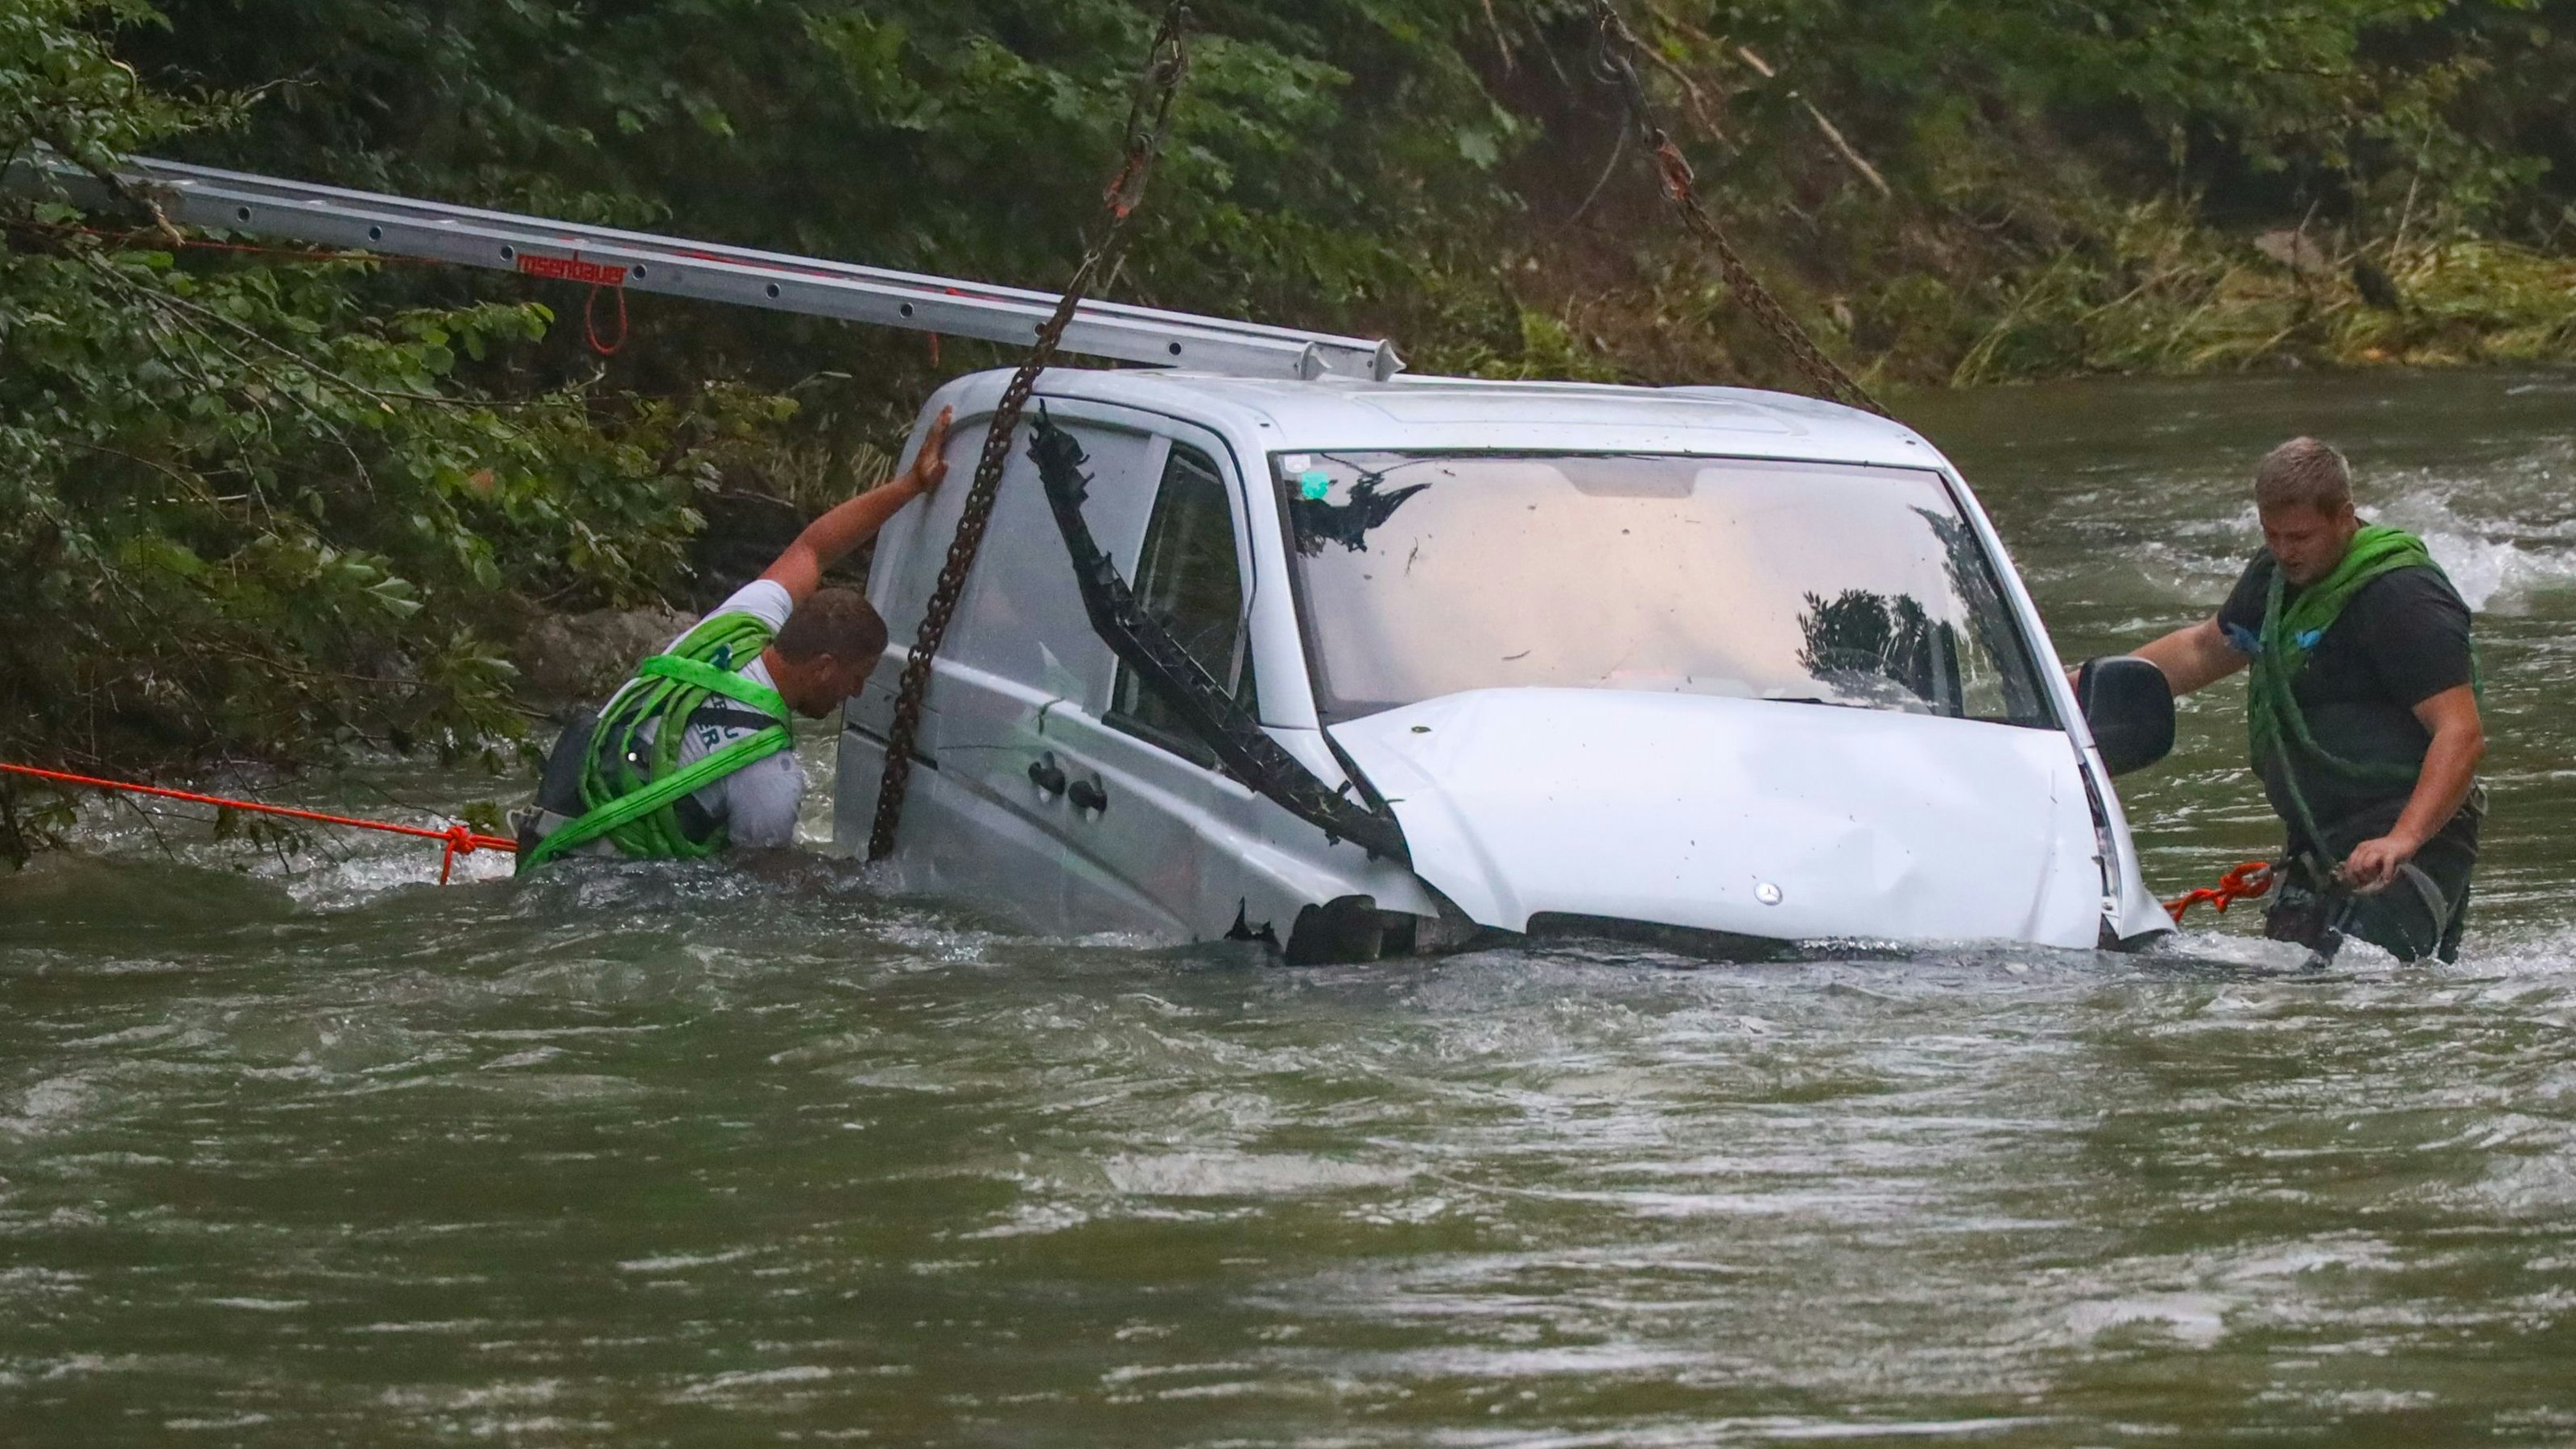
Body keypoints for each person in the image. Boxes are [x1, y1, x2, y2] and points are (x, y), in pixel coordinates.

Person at [515, 407, 954, 869]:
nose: (858, 692)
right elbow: (754, 898)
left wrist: (910, 486)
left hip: (546, 840)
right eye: (857, 676)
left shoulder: (738, 623)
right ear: (824, 666)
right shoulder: (770, 775)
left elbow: (813, 548)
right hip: (599, 893)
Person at [2117, 436, 2483, 961]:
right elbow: (2205, 648)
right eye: (2272, 534)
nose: (2285, 550)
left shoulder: (2404, 597)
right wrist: (2089, 686)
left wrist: (2401, 840)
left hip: (2406, 843)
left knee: (2356, 992)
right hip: (2318, 843)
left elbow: (2462, 735)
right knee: (2290, 996)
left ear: (2344, 517)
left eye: (2300, 536)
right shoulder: (2274, 579)